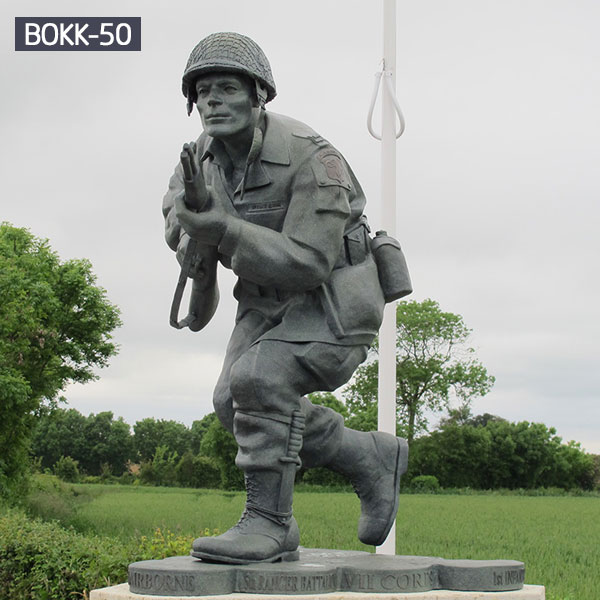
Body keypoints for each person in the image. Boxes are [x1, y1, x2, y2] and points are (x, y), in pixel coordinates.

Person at [162, 32, 408, 565]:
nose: (212, 100)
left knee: (259, 380)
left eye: (227, 88)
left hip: (333, 298)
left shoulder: (312, 158)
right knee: (233, 403)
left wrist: (221, 228)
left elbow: (308, 261)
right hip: (261, 298)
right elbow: (176, 221)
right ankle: (367, 456)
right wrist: (193, 231)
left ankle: (268, 522)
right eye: (202, 91)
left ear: (259, 96)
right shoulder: (198, 160)